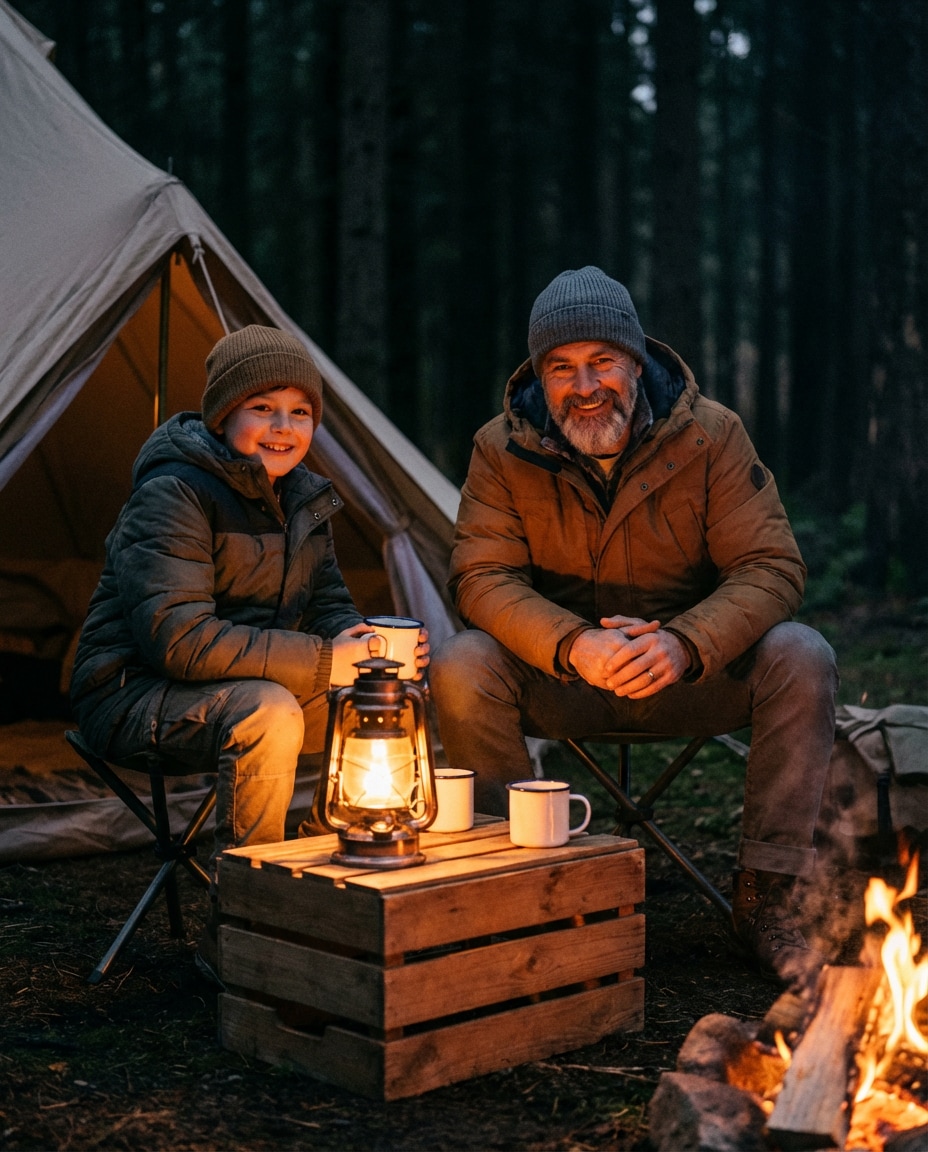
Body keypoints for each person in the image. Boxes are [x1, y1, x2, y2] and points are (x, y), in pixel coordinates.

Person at [430, 267, 837, 984]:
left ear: (636, 361)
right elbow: (480, 578)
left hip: (687, 677)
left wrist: (686, 643)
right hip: (563, 679)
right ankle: (508, 890)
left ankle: (770, 895)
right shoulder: (502, 448)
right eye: (561, 368)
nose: (584, 386)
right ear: (539, 375)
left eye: (602, 362)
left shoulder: (711, 438)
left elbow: (772, 566)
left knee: (801, 654)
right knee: (464, 662)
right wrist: (572, 643)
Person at [69, 325, 429, 981]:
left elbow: (329, 607)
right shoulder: (174, 493)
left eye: (299, 412)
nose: (282, 428)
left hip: (240, 686)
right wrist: (325, 663)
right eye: (263, 408)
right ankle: (242, 935)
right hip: (129, 691)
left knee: (389, 701)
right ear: (224, 412)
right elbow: (180, 641)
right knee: (270, 712)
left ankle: (346, 895)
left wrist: (369, 650)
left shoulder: (303, 499)